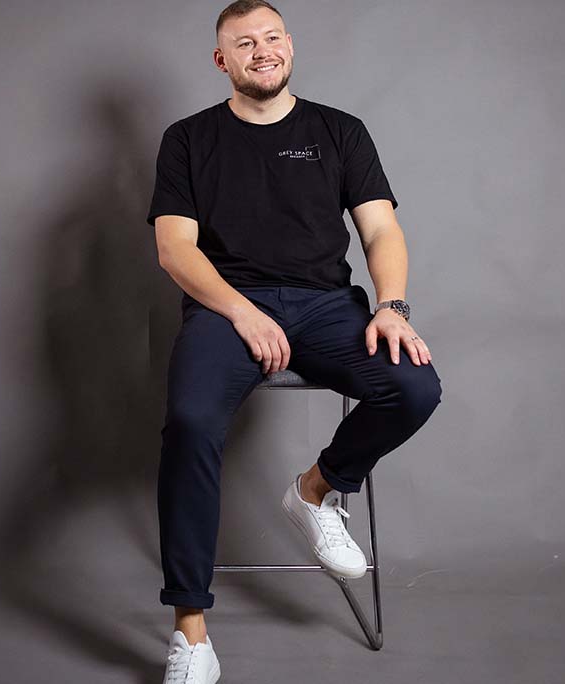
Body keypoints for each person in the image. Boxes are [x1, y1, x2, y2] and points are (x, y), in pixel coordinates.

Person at [146, 2, 442, 681]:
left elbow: (380, 231)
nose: (262, 51)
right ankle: (190, 632)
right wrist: (239, 310)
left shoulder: (339, 131)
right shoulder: (189, 139)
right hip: (226, 310)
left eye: (273, 37)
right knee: (190, 424)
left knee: (413, 384)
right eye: (243, 43)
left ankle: (314, 490)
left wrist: (392, 306)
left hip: (324, 308)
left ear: (290, 47)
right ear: (221, 60)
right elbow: (174, 249)